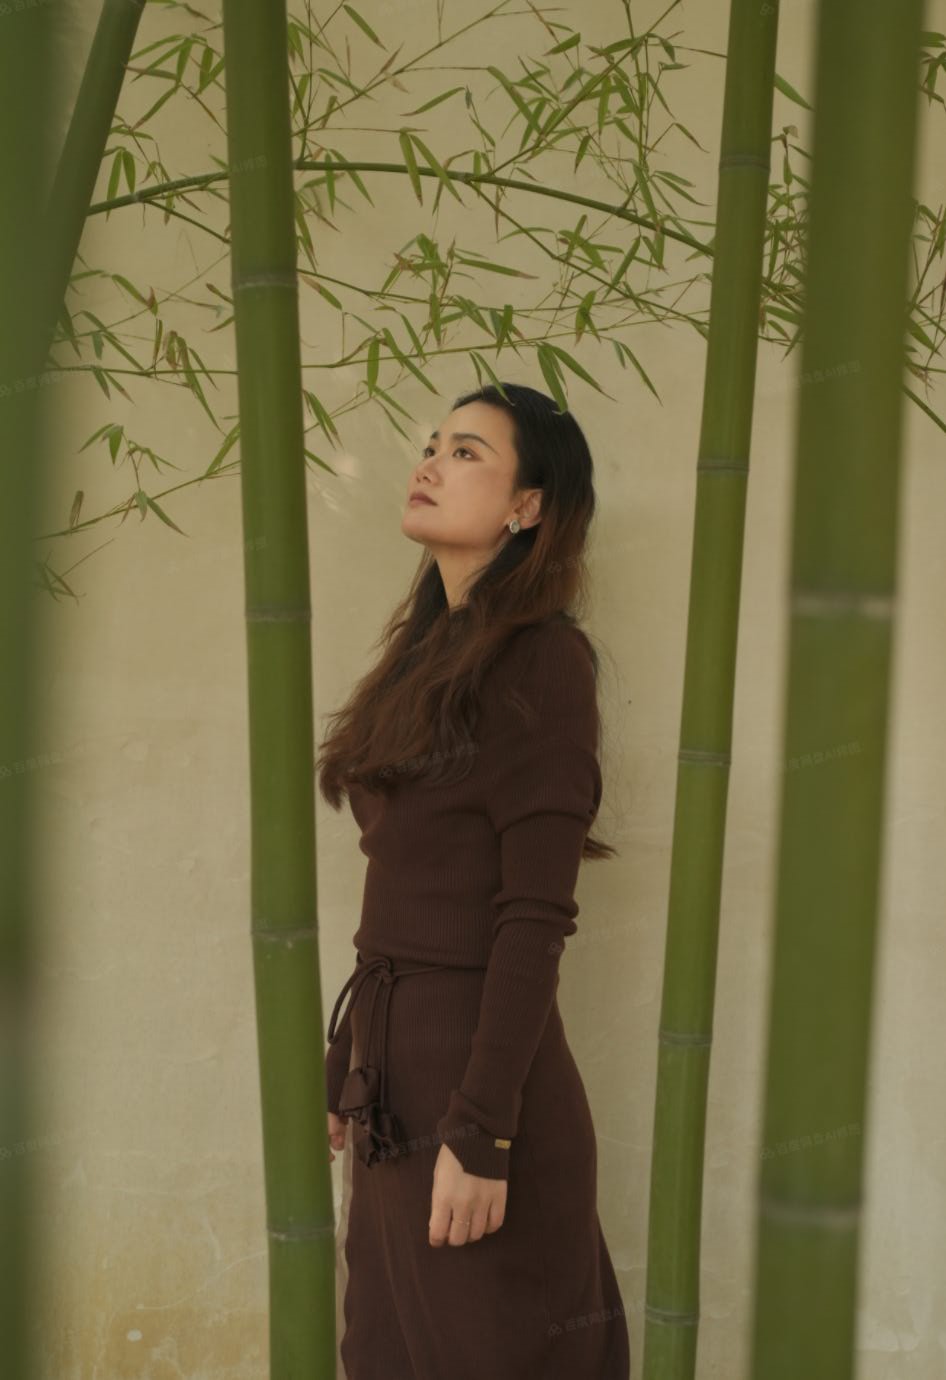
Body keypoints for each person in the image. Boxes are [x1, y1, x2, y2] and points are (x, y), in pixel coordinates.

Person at [316, 382, 630, 1379]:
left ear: (527, 506)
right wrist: (349, 1058)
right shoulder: (423, 661)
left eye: (465, 453)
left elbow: (533, 917)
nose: (430, 464)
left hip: (476, 1077)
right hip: (394, 1078)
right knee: (384, 1353)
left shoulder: (545, 662)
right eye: (432, 445)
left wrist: (485, 1132)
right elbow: (404, 884)